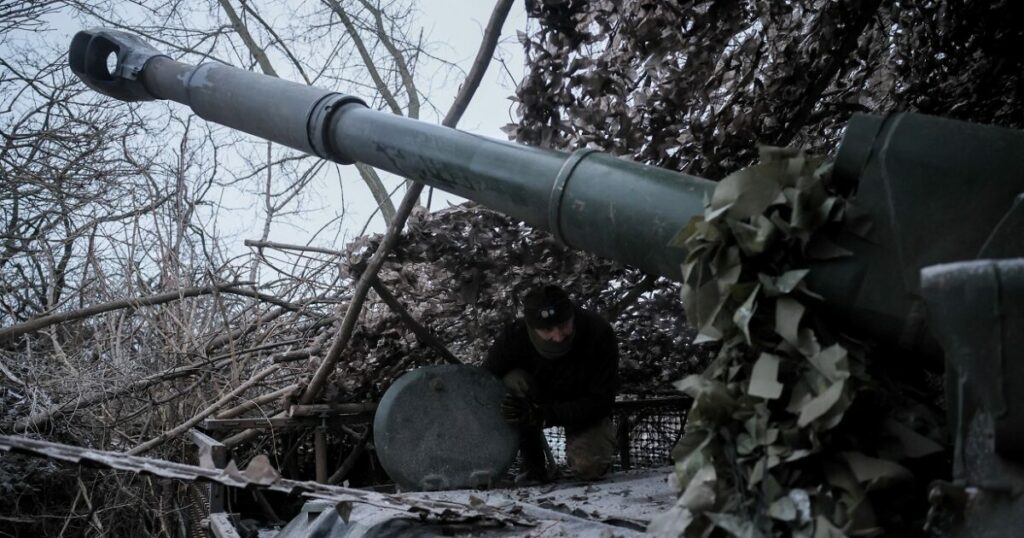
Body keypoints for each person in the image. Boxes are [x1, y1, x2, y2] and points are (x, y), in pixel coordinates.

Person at [483, 284, 619, 483]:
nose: (558, 336)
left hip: (583, 408)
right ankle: (532, 465)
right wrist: (518, 412)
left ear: (572, 315)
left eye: (564, 324)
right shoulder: (514, 337)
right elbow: (484, 382)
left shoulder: (598, 333)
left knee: (589, 466)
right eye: (547, 329)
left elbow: (602, 400)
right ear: (532, 327)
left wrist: (546, 415)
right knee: (512, 381)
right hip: (532, 402)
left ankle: (591, 454)